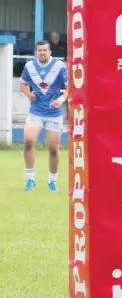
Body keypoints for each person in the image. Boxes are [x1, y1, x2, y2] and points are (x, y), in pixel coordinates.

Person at [19, 40, 69, 192]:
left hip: (53, 114)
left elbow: (70, 87)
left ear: (50, 52)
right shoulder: (29, 66)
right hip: (36, 112)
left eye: (44, 50)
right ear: (36, 52)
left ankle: (52, 181)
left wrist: (61, 99)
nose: (42, 53)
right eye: (39, 50)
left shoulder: (59, 66)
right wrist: (29, 94)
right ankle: (30, 179)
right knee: (28, 141)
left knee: (53, 149)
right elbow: (22, 84)